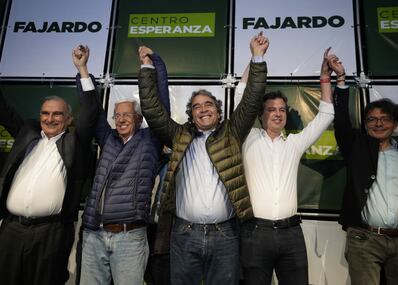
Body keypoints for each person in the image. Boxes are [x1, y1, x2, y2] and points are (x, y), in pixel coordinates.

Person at [137, 32, 269, 285]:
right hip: (184, 234)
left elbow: (252, 100)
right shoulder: (178, 135)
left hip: (226, 235)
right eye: (197, 106)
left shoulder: (232, 133)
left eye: (209, 103)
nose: (203, 108)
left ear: (219, 111)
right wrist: (145, 67)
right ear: (191, 114)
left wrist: (258, 58)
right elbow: (152, 110)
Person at [0, 46, 99, 285]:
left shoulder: (75, 142)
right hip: (11, 230)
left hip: (51, 233)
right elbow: (2, 109)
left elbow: (90, 112)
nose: (50, 118)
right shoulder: (27, 133)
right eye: (45, 113)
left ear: (68, 119)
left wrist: (82, 69)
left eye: (57, 114)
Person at [239, 47, 336, 285]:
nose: (278, 114)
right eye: (271, 110)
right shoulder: (246, 138)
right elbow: (240, 97)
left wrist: (325, 76)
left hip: (291, 233)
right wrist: (255, 58)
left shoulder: (294, 143)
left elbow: (326, 114)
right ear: (260, 115)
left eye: (282, 109)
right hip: (254, 233)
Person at [75, 45, 170, 285]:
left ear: (139, 119)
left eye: (127, 115)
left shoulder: (150, 140)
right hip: (93, 234)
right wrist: (83, 69)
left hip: (129, 236)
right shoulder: (108, 139)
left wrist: (151, 63)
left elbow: (160, 103)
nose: (121, 119)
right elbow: (93, 110)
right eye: (117, 115)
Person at [331, 53, 398, 285]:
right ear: (365, 124)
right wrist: (341, 80)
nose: (378, 123)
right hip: (365, 239)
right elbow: (341, 121)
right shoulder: (356, 147)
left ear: (395, 124)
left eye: (385, 119)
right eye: (372, 119)